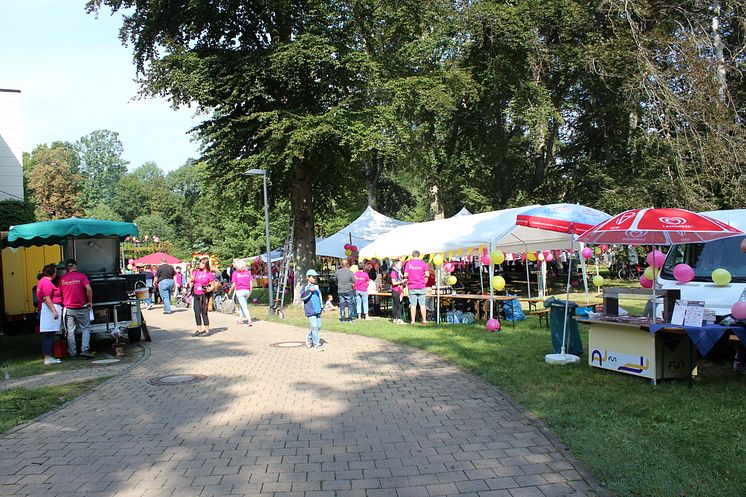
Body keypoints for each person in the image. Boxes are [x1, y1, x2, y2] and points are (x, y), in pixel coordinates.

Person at [59, 259, 94, 358]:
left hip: (68, 308)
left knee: (70, 331)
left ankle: (72, 353)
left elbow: (60, 293)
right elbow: (88, 289)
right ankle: (85, 350)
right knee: (86, 328)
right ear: (75, 266)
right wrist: (90, 301)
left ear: (66, 268)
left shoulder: (62, 279)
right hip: (81, 307)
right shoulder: (81, 276)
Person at [37, 264, 62, 364]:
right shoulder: (46, 283)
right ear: (51, 273)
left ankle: (48, 356)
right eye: (55, 272)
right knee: (49, 334)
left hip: (48, 309)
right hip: (50, 310)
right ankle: (48, 357)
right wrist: (54, 311)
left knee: (48, 334)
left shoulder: (42, 281)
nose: (56, 274)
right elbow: (47, 299)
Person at [404, 250, 430, 325]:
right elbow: (427, 274)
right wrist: (424, 282)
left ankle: (413, 321)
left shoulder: (409, 263)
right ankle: (424, 320)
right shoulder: (423, 263)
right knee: (422, 304)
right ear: (419, 255)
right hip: (421, 286)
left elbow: (405, 275)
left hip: (412, 286)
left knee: (413, 305)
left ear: (412, 255)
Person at [191, 257, 215, 336]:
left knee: (204, 312)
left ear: (206, 264)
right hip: (196, 293)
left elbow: (212, 285)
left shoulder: (209, 274)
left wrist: (209, 289)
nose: (200, 264)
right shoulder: (196, 272)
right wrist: (191, 280)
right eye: (200, 263)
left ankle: (207, 330)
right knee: (196, 312)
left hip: (204, 294)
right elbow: (192, 281)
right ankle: (199, 329)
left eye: (202, 263)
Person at [301, 269, 323, 351]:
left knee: (318, 326)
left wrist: (322, 306)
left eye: (315, 277)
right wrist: (309, 291)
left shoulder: (316, 287)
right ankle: (316, 345)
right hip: (310, 310)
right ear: (308, 278)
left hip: (318, 310)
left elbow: (319, 297)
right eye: (313, 277)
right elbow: (303, 297)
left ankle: (309, 337)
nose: (314, 278)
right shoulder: (305, 287)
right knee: (314, 327)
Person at [230, 260, 254, 326]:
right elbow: (251, 282)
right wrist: (250, 290)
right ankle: (240, 319)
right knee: (242, 305)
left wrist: (230, 290)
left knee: (244, 306)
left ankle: (249, 320)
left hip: (240, 291)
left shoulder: (235, 273)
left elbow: (234, 284)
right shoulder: (247, 273)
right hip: (247, 290)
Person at [389, 259, 407, 324]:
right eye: (400, 265)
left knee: (400, 305)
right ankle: (394, 319)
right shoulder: (393, 272)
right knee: (396, 305)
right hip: (395, 290)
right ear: (396, 265)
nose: (401, 266)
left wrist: (403, 281)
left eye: (401, 265)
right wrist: (401, 281)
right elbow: (393, 283)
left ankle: (399, 318)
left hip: (399, 290)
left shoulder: (399, 272)